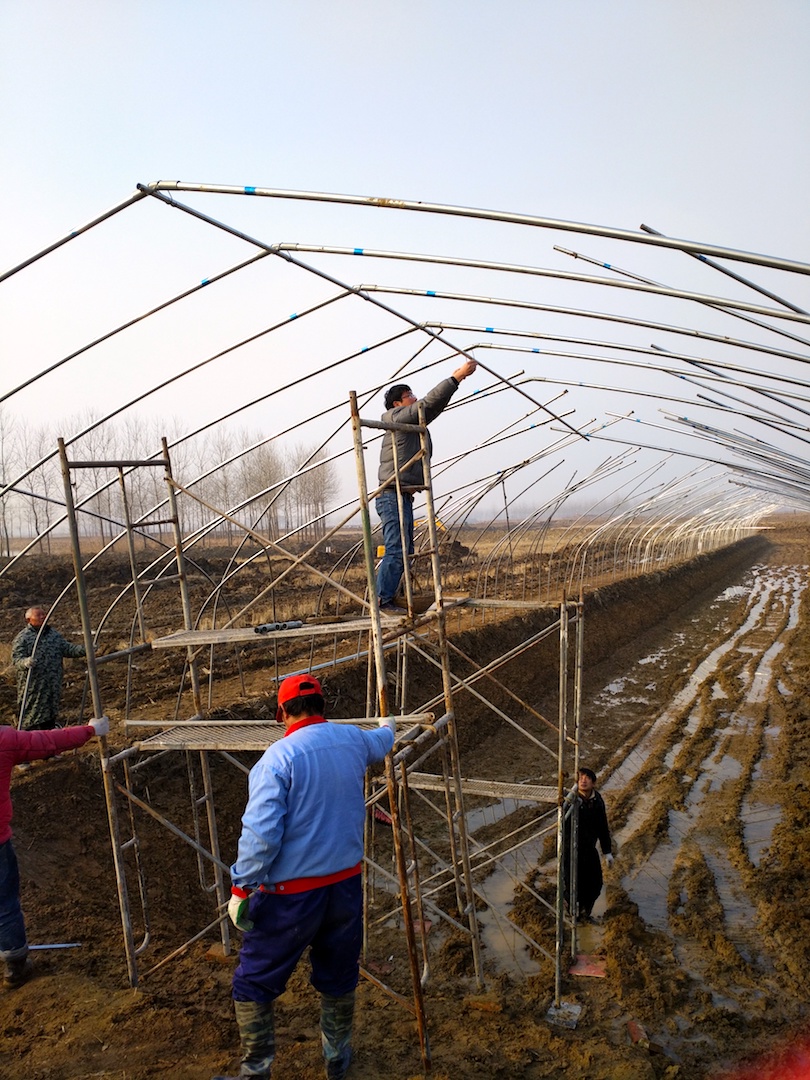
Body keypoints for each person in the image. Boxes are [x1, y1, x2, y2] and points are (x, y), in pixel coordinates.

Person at [216, 674, 395, 1080]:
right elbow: (382, 741)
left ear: (281, 712)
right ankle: (336, 1058)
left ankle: (255, 1070)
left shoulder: (277, 760)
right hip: (345, 887)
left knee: (254, 981)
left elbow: (261, 836)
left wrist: (241, 888)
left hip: (290, 897)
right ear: (323, 705)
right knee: (338, 973)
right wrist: (389, 723)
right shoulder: (352, 740)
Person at [0, 714, 110, 988]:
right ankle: (16, 965)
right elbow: (47, 741)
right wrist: (89, 730)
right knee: (5, 904)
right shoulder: (4, 739)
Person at [375, 359, 477, 613]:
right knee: (397, 550)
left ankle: (392, 595)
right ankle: (381, 601)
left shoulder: (408, 421)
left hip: (402, 496)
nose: (414, 398)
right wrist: (456, 378)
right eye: (409, 395)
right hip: (391, 495)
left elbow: (428, 410)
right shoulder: (396, 417)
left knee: (405, 550)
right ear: (397, 404)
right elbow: (428, 406)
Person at [11, 606, 87, 731]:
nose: (43, 617)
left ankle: (49, 745)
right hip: (35, 687)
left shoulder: (53, 634)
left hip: (52, 685)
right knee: (33, 717)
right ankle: (34, 745)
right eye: (39, 615)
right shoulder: (23, 638)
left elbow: (67, 649)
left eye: (44, 614)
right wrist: (25, 662)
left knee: (50, 716)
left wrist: (86, 649)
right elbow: (16, 660)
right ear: (29, 620)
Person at [563, 767, 614, 922]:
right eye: (580, 778)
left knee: (595, 884)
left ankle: (586, 912)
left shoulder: (597, 801)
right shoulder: (570, 800)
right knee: (573, 884)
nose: (583, 780)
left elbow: (602, 827)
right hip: (570, 849)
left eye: (587, 777)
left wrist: (607, 852)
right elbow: (561, 819)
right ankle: (572, 913)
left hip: (589, 849)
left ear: (593, 782)